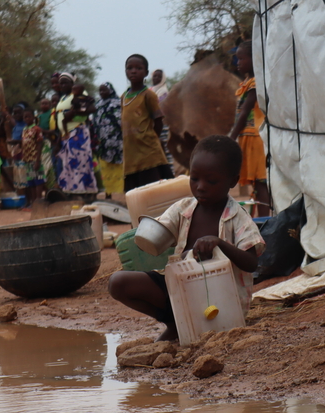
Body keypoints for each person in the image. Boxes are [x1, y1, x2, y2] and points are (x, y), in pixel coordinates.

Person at [107, 135, 265, 342]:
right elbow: (157, 231)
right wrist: (147, 237)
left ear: (233, 181)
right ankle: (175, 323)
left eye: (211, 181)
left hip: (219, 298)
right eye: (194, 178)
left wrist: (219, 243)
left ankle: (186, 325)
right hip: (180, 288)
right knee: (117, 282)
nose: (201, 186)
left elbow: (252, 263)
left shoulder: (238, 218)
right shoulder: (183, 209)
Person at [229, 41, 271, 217]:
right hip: (249, 137)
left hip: (255, 138)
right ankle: (262, 218)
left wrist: (231, 137)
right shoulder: (247, 83)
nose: (237, 62)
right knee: (257, 182)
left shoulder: (255, 84)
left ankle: (264, 219)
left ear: (255, 59)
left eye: (241, 58)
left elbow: (245, 112)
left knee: (261, 181)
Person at [122, 54, 173, 191]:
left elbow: (158, 121)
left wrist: (152, 139)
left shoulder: (148, 95)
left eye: (138, 68)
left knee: (153, 189)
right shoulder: (124, 97)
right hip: (131, 152)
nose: (133, 71)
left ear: (145, 73)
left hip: (148, 151)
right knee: (135, 193)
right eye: (130, 68)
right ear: (125, 71)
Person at [50, 72, 98, 200]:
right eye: (61, 83)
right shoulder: (62, 98)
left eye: (65, 82)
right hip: (66, 136)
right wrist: (58, 141)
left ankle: (83, 192)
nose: (63, 85)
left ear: (72, 84)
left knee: (80, 163)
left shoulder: (78, 94)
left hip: (78, 132)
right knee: (69, 165)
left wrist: (74, 112)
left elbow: (91, 108)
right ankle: (74, 191)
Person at [91, 82, 125, 196]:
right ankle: (109, 193)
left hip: (117, 143)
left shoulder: (118, 103)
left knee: (118, 169)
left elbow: (122, 121)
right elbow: (94, 123)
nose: (102, 93)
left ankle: (119, 193)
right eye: (100, 91)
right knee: (105, 170)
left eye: (104, 90)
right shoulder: (98, 105)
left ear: (110, 90)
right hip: (103, 144)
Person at [150, 68, 175, 169]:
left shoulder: (163, 91)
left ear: (163, 78)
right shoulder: (151, 91)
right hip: (152, 124)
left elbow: (158, 108)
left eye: (159, 76)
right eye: (155, 76)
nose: (156, 78)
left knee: (164, 147)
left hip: (162, 124)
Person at [21, 108, 46, 204]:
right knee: (31, 181)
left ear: (33, 117)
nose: (26, 119)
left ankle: (39, 201)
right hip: (27, 159)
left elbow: (40, 144)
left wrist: (37, 160)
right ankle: (33, 202)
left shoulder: (36, 129)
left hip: (35, 158)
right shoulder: (24, 129)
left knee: (38, 180)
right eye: (25, 117)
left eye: (28, 116)